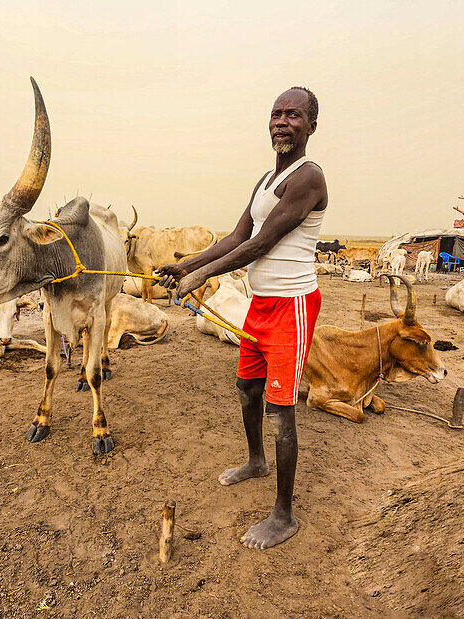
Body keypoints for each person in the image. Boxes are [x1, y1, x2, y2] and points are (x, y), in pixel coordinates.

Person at [155, 86, 328, 549]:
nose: (281, 121)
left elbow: (260, 245)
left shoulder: (309, 178)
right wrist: (187, 263)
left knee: (280, 409)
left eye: (293, 115)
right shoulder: (266, 181)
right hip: (261, 303)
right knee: (247, 388)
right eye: (275, 114)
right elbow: (237, 236)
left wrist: (200, 278)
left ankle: (284, 514)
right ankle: (256, 461)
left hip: (291, 306)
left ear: (312, 125)